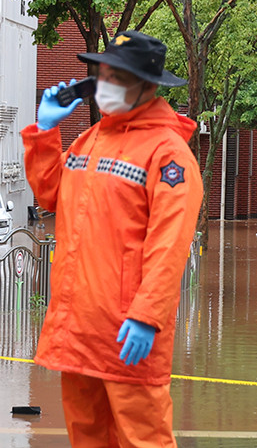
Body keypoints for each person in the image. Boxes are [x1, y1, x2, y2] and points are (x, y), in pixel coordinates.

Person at [22, 30, 202, 447]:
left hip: (127, 333)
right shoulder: (91, 140)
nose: (106, 85)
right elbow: (51, 194)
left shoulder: (168, 153)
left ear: (148, 86)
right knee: (86, 436)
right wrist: (44, 131)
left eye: (118, 77)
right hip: (79, 328)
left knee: (143, 438)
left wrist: (146, 316)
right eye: (103, 74)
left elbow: (169, 246)